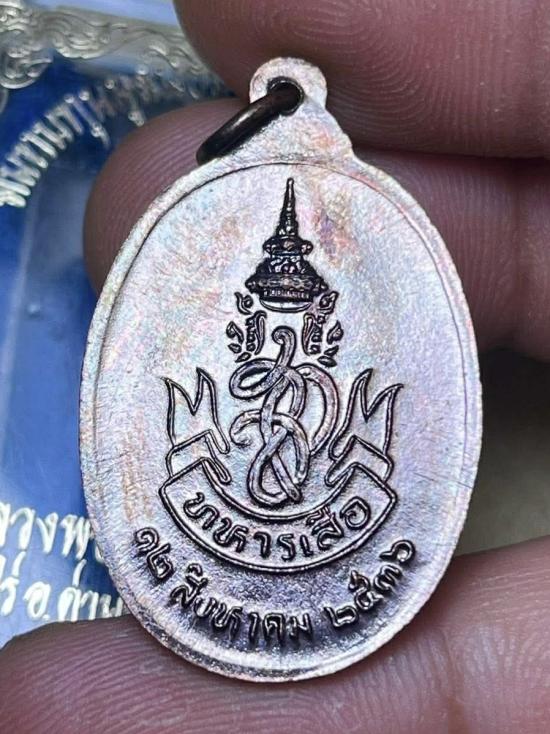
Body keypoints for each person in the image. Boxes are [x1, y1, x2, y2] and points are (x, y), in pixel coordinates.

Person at [2, 1, 550, 732]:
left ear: (318, 322)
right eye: (266, 324)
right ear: (248, 322)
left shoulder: (313, 385)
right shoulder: (265, 384)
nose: (279, 339)